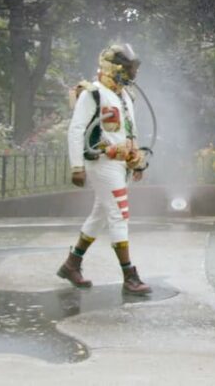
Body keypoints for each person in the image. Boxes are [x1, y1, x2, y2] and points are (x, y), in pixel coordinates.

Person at [56, 43, 151, 295]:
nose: (134, 73)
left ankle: (71, 264)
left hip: (121, 163)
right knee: (119, 214)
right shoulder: (93, 93)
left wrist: (137, 160)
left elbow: (131, 130)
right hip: (102, 162)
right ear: (115, 68)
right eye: (129, 68)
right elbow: (76, 129)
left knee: (100, 215)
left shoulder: (125, 96)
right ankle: (129, 276)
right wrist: (77, 166)